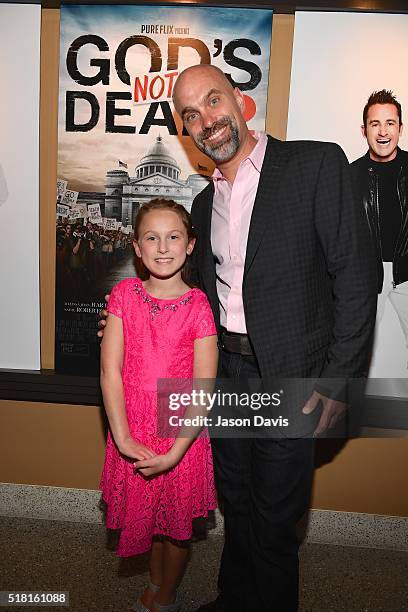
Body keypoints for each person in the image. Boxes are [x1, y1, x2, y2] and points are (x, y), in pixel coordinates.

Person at [100, 65, 377, 611]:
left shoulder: (315, 164)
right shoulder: (203, 205)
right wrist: (123, 324)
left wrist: (333, 385)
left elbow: (357, 280)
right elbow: (186, 298)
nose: (207, 120)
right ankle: (235, 600)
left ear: (241, 101)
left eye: (213, 101)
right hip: (228, 375)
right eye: (191, 115)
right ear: (186, 130)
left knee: (276, 519)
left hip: (295, 380)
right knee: (240, 504)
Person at [99, 198, 218, 612]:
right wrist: (123, 437)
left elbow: (203, 388)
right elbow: (110, 372)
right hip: (132, 430)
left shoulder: (200, 305)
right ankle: (154, 581)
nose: (163, 247)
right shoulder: (124, 294)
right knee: (151, 521)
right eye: (151, 237)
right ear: (136, 246)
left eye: (173, 237)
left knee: (176, 528)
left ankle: (165, 598)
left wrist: (176, 452)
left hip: (179, 435)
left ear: (190, 245)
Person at [351, 90, 408, 364]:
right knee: (357, 351)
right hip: (367, 273)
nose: (383, 131)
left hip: (407, 270)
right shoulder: (350, 175)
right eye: (375, 124)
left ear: (400, 128)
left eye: (390, 123)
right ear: (364, 130)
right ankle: (350, 406)